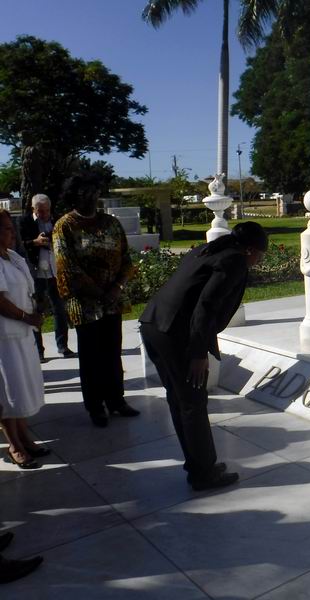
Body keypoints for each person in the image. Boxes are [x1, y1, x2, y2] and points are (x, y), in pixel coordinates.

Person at [139, 222, 266, 491]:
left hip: (154, 325)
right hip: (175, 334)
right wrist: (198, 353)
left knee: (180, 398)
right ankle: (203, 473)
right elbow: (206, 307)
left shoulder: (210, 250)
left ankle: (197, 464)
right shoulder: (234, 261)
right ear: (251, 250)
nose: (258, 261)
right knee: (193, 402)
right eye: (260, 256)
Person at [53, 173, 140, 427]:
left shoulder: (110, 223)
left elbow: (126, 259)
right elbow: (67, 267)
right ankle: (95, 406)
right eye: (85, 192)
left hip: (112, 300)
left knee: (112, 352)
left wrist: (116, 288)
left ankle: (116, 400)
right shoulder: (65, 225)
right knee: (91, 357)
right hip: (85, 303)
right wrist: (99, 293)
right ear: (74, 195)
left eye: (94, 191)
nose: (91, 197)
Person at [0, 209, 48, 469]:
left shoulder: (14, 257)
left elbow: (28, 288)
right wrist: (25, 317)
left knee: (22, 388)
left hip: (22, 334)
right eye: (6, 229)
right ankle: (14, 444)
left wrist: (37, 308)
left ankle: (25, 437)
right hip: (4, 338)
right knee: (7, 392)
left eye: (11, 228)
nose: (11, 233)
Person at [20, 193, 75, 361]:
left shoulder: (57, 220)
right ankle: (39, 351)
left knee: (59, 309)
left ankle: (63, 346)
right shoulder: (25, 221)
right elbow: (19, 245)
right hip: (36, 272)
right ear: (33, 209)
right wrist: (35, 242)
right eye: (41, 211)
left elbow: (68, 240)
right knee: (37, 310)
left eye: (47, 211)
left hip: (54, 271)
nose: (45, 214)